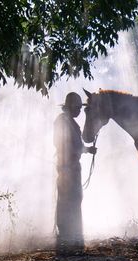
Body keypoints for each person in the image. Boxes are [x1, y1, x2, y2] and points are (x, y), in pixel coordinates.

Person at [53, 92, 96, 250]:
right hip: (66, 167)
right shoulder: (63, 122)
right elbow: (64, 143)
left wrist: (86, 149)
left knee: (75, 198)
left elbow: (76, 144)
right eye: (77, 108)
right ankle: (66, 235)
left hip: (72, 166)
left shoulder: (69, 122)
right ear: (70, 107)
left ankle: (73, 234)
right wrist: (85, 149)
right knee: (67, 199)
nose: (79, 111)